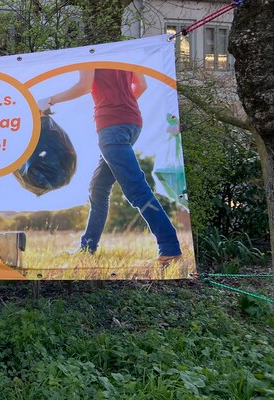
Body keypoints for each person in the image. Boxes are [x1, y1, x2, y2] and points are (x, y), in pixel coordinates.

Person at [38, 69, 181, 262]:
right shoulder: (126, 56)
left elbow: (84, 86)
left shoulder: (91, 55)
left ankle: (169, 248)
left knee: (136, 189)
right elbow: (141, 85)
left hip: (111, 127)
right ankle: (87, 247)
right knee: (98, 188)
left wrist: (50, 100)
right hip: (132, 123)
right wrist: (122, 105)